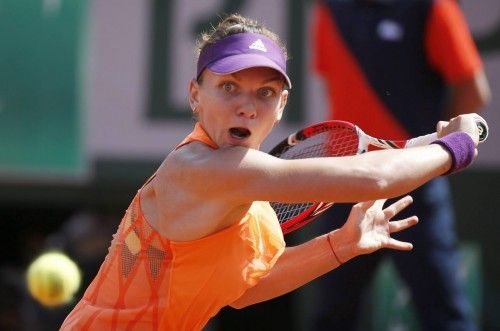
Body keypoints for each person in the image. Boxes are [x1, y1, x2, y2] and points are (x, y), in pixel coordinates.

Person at [60, 13, 483, 331]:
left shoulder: (251, 204)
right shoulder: (198, 168)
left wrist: (341, 243)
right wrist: (457, 147)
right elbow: (373, 180)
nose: (247, 105)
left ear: (282, 106)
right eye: (229, 87)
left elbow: (245, 291)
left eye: (265, 92)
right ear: (195, 96)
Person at [311, 0, 491, 330]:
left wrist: (434, 148)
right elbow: (336, 88)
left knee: (445, 314)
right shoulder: (330, 10)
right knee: (333, 314)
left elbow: (473, 89)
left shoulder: (432, 8)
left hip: (415, 183)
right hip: (345, 183)